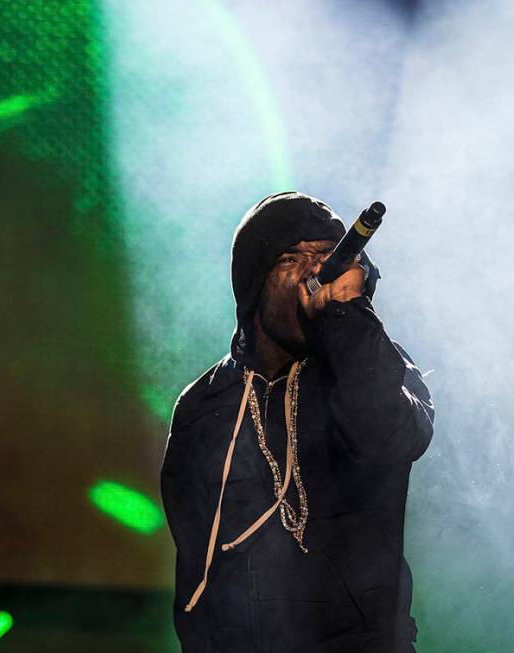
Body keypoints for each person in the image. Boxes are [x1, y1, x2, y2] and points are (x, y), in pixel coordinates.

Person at [161, 191, 434, 652]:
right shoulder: (204, 407)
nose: (315, 270)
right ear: (253, 284)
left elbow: (390, 438)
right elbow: (195, 567)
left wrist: (348, 313)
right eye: (292, 257)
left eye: (328, 256)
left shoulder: (372, 368)